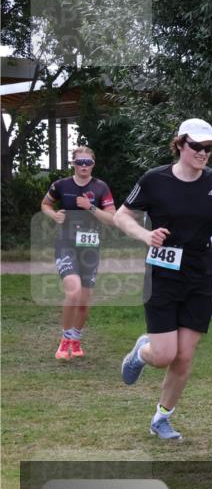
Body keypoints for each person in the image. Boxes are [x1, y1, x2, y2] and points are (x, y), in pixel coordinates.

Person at [114, 119, 212, 440]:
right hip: (163, 272)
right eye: (197, 146)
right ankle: (142, 352)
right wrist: (146, 235)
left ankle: (161, 418)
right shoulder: (154, 180)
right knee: (164, 355)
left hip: (200, 273)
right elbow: (121, 215)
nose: (203, 153)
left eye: (208, 148)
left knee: (184, 355)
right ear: (180, 144)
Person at [40, 146, 117, 359]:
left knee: (84, 299)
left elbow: (113, 218)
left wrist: (89, 207)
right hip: (65, 243)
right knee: (73, 292)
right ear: (73, 163)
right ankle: (65, 341)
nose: (83, 166)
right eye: (79, 162)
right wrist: (54, 215)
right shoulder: (61, 185)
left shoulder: (101, 187)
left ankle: (76, 338)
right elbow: (45, 204)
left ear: (93, 164)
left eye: (88, 162)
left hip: (90, 247)